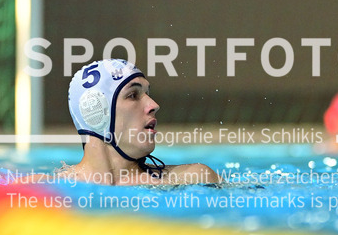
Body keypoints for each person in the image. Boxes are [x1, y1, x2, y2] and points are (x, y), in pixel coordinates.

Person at [60, 58, 221, 185]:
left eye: (147, 94)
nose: (154, 105)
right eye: (133, 95)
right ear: (96, 113)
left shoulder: (194, 178)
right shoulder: (47, 188)